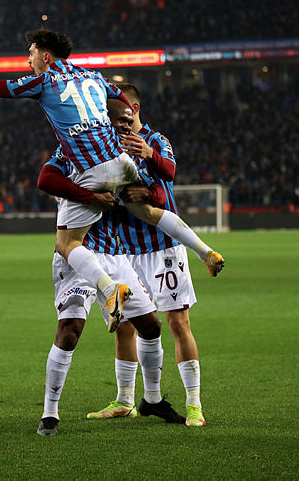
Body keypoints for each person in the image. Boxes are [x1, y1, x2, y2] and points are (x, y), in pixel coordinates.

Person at [0, 28, 224, 333]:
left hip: (90, 169)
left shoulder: (44, 80)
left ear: (45, 56)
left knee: (67, 244)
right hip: (119, 159)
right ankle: (205, 252)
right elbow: (121, 96)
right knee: (147, 212)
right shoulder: (92, 76)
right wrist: (108, 120)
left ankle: (109, 290)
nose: (28, 61)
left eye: (30, 54)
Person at [34, 147, 185, 436]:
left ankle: (151, 399)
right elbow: (46, 180)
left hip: (114, 255)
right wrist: (89, 196)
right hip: (78, 254)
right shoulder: (73, 150)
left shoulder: (121, 158)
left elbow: (159, 195)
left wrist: (144, 194)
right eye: (119, 121)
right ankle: (50, 413)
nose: (123, 127)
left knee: (151, 326)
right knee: (69, 330)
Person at [86, 84, 206, 426]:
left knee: (177, 323)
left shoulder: (155, 139)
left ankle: (194, 404)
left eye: (121, 110)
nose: (117, 119)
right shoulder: (105, 144)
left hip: (161, 249)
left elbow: (168, 178)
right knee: (125, 326)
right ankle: (125, 400)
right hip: (123, 251)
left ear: (134, 107)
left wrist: (149, 158)